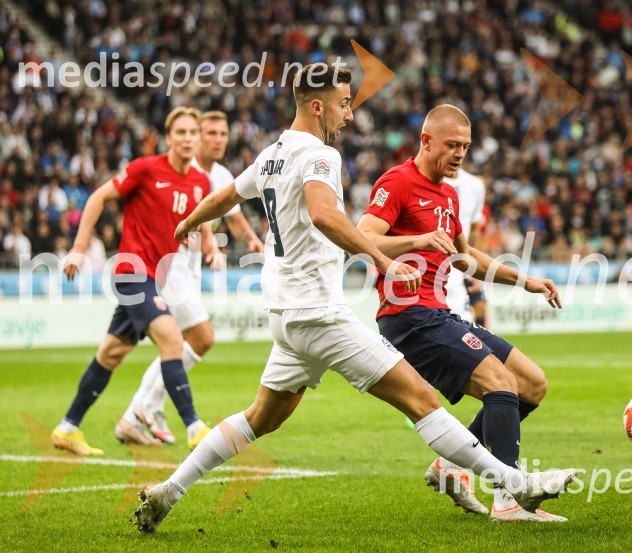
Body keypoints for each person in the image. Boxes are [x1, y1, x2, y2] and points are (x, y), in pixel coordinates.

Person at [133, 64, 574, 532]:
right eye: (344, 104)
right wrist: (384, 262)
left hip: (286, 318)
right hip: (320, 315)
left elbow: (224, 196)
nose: (349, 114)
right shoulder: (320, 156)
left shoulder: (273, 154)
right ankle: (511, 484)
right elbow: (325, 216)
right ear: (318, 105)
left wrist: (186, 223)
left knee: (259, 418)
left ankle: (169, 490)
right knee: (422, 399)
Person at [357, 104, 565, 522]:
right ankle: (508, 498)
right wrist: (418, 240)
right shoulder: (397, 182)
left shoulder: (449, 195)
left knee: (532, 383)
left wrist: (527, 281)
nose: (459, 154)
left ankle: (451, 465)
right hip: (408, 318)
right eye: (452, 145)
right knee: (501, 383)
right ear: (426, 140)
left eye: (465, 147)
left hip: (440, 312)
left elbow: (466, 258)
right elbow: (362, 237)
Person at [52, 107, 217, 455]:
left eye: (193, 133)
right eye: (181, 132)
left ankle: (68, 428)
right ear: (168, 138)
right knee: (172, 340)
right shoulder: (146, 169)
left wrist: (210, 245)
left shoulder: (201, 182)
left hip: (158, 278)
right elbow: (98, 197)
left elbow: (202, 217)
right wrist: (79, 248)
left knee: (110, 354)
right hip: (132, 274)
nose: (188, 139)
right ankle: (194, 427)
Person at [115, 111, 265, 446]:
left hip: (190, 270)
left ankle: (141, 412)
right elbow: (199, 220)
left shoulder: (222, 173)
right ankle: (143, 410)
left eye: (222, 133)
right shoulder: (186, 172)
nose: (217, 139)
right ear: (196, 137)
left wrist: (253, 241)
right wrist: (209, 242)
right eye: (209, 133)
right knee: (200, 337)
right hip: (169, 267)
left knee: (178, 342)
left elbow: (234, 217)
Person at [442, 167, 486, 324]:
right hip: (436, 266)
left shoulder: (475, 185)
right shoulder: (427, 181)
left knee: (480, 308)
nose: (458, 152)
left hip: (462, 264)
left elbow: (475, 231)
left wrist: (474, 268)